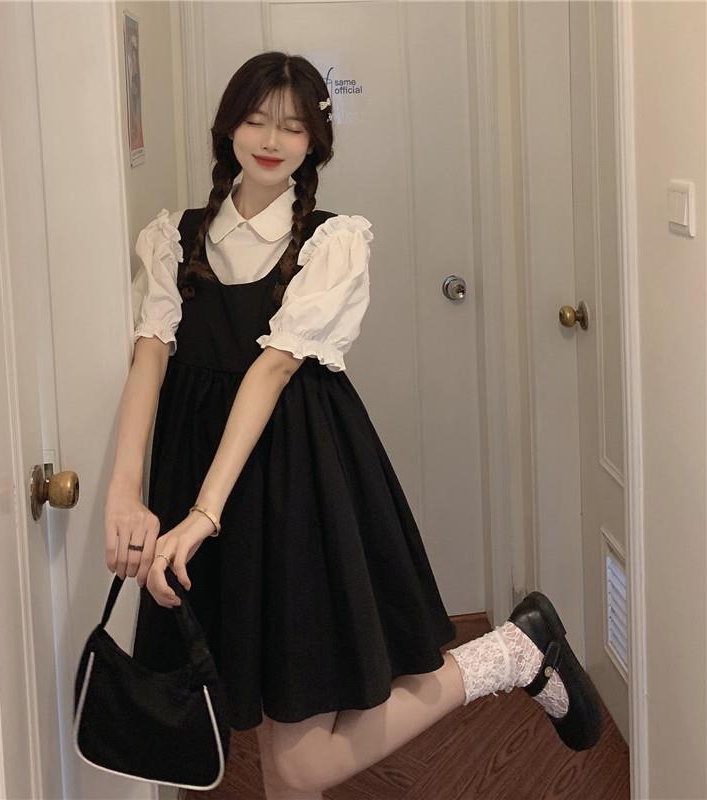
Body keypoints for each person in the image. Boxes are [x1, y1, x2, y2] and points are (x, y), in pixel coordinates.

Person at [104, 51, 602, 799]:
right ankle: (517, 651)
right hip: (198, 472)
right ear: (228, 127)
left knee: (297, 761)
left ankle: (512, 654)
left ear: (315, 142)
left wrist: (205, 513)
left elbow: (272, 370)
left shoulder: (331, 241)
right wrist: (124, 492)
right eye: (256, 120)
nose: (272, 139)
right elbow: (149, 355)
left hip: (294, 481)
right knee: (253, 725)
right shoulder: (172, 237)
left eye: (292, 126)